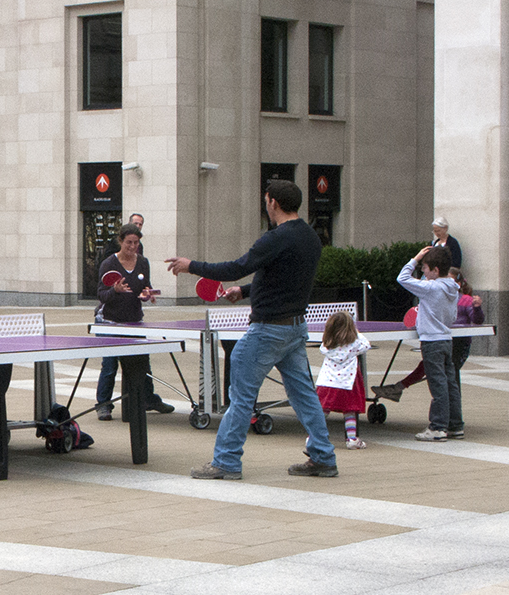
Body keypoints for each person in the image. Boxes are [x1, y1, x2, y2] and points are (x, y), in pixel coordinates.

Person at [165, 179, 337, 480]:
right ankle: (323, 457)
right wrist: (244, 292)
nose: (265, 205)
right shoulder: (310, 236)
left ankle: (227, 462)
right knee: (304, 395)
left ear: (273, 203)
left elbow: (235, 267)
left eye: (266, 199)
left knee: (241, 397)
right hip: (296, 328)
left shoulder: (274, 238)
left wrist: (190, 264)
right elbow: (281, 276)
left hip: (268, 330)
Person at [93, 223, 173, 421]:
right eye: (129, 242)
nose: (132, 246)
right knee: (110, 365)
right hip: (110, 321)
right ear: (121, 241)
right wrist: (115, 291)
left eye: (136, 243)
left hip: (134, 321)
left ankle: (148, 399)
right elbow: (101, 294)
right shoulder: (109, 264)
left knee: (142, 363)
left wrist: (148, 294)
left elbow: (145, 287)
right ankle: (103, 404)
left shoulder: (143, 262)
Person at [377, 270, 483, 402]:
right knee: (427, 366)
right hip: (441, 339)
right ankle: (399, 387)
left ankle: (450, 410)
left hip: (459, 344)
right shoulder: (437, 297)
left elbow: (477, 320)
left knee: (448, 375)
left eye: (450, 280)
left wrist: (477, 307)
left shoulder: (466, 300)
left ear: (459, 284)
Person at [397, 245, 461, 440]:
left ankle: (438, 427)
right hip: (446, 338)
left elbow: (403, 278)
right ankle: (456, 425)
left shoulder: (430, 288)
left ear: (435, 270)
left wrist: (415, 258)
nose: (422, 271)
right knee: (451, 384)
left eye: (425, 268)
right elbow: (454, 316)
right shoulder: (453, 288)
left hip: (431, 341)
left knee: (438, 385)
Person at [316, 312, 369, 448]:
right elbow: (366, 344)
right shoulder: (355, 344)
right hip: (347, 382)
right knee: (349, 411)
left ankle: (313, 436)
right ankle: (352, 439)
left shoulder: (326, 346)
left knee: (323, 411)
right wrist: (355, 331)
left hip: (326, 382)